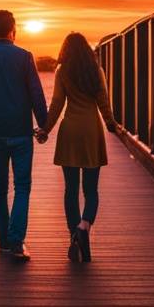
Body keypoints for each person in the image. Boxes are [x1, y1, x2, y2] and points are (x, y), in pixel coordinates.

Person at [36, 32, 120, 262]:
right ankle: (84, 228)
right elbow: (103, 101)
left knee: (70, 189)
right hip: (91, 132)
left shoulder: (62, 71)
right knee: (91, 190)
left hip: (70, 133)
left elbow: (56, 103)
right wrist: (112, 126)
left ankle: (74, 234)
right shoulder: (96, 71)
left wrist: (45, 129)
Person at [0, 10, 48, 261]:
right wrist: (45, 125)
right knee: (22, 186)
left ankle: (3, 240)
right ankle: (17, 242)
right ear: (13, 29)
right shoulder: (24, 57)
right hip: (20, 133)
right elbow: (37, 95)